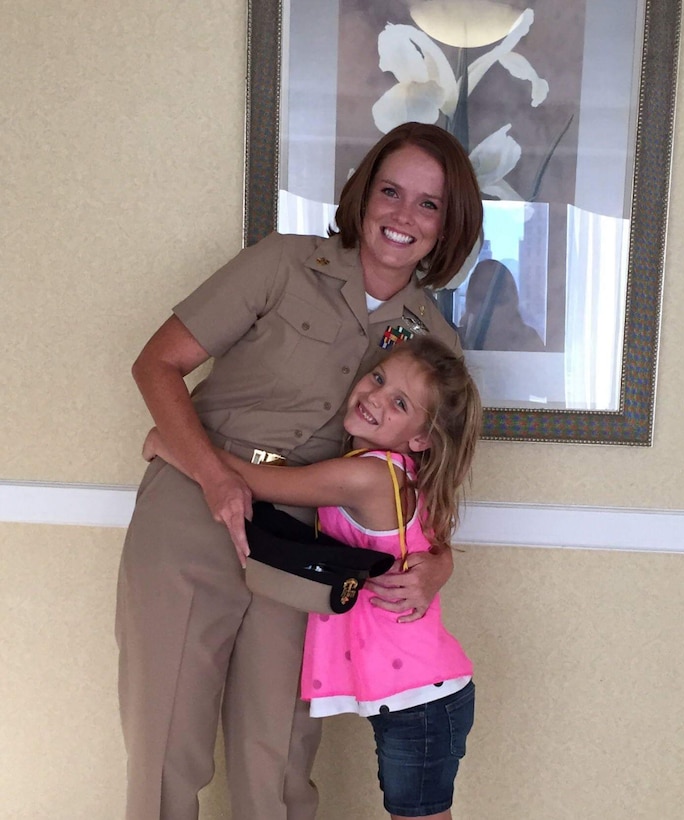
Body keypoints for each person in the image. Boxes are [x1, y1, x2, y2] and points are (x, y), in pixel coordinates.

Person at [116, 121, 483, 820]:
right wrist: (210, 472)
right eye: (390, 191)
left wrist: (439, 566)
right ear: (363, 194)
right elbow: (155, 363)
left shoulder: (434, 341)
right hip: (190, 510)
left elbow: (429, 488)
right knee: (168, 739)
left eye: (428, 205)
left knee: (278, 755)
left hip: (309, 549)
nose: (403, 216)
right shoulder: (282, 264)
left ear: (447, 225)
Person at [143, 335, 482, 820]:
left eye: (399, 403)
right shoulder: (397, 473)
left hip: (420, 698)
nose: (374, 398)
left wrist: (171, 447)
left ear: (420, 438)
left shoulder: (367, 478)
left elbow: (258, 483)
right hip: (420, 692)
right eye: (379, 378)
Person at [460, 258, 545, 351]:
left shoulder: (530, 341)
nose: (488, 311)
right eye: (480, 298)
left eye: (498, 300)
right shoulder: (456, 341)